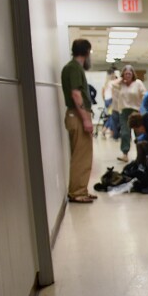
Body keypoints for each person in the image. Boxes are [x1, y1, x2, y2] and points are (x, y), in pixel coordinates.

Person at [59, 39, 96, 203]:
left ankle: (80, 189)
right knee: (81, 156)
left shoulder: (73, 68)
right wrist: (86, 120)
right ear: (87, 52)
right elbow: (76, 94)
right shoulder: (73, 68)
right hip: (77, 115)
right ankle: (77, 192)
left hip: (76, 115)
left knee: (83, 155)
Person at [111, 64, 147, 162]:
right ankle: (125, 154)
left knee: (139, 133)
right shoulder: (120, 84)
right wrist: (121, 79)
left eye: (129, 73)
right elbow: (112, 84)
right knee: (125, 133)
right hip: (124, 112)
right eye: (126, 73)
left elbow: (144, 94)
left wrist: (142, 108)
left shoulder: (138, 83)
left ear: (133, 74)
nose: (128, 75)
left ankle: (142, 155)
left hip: (135, 111)